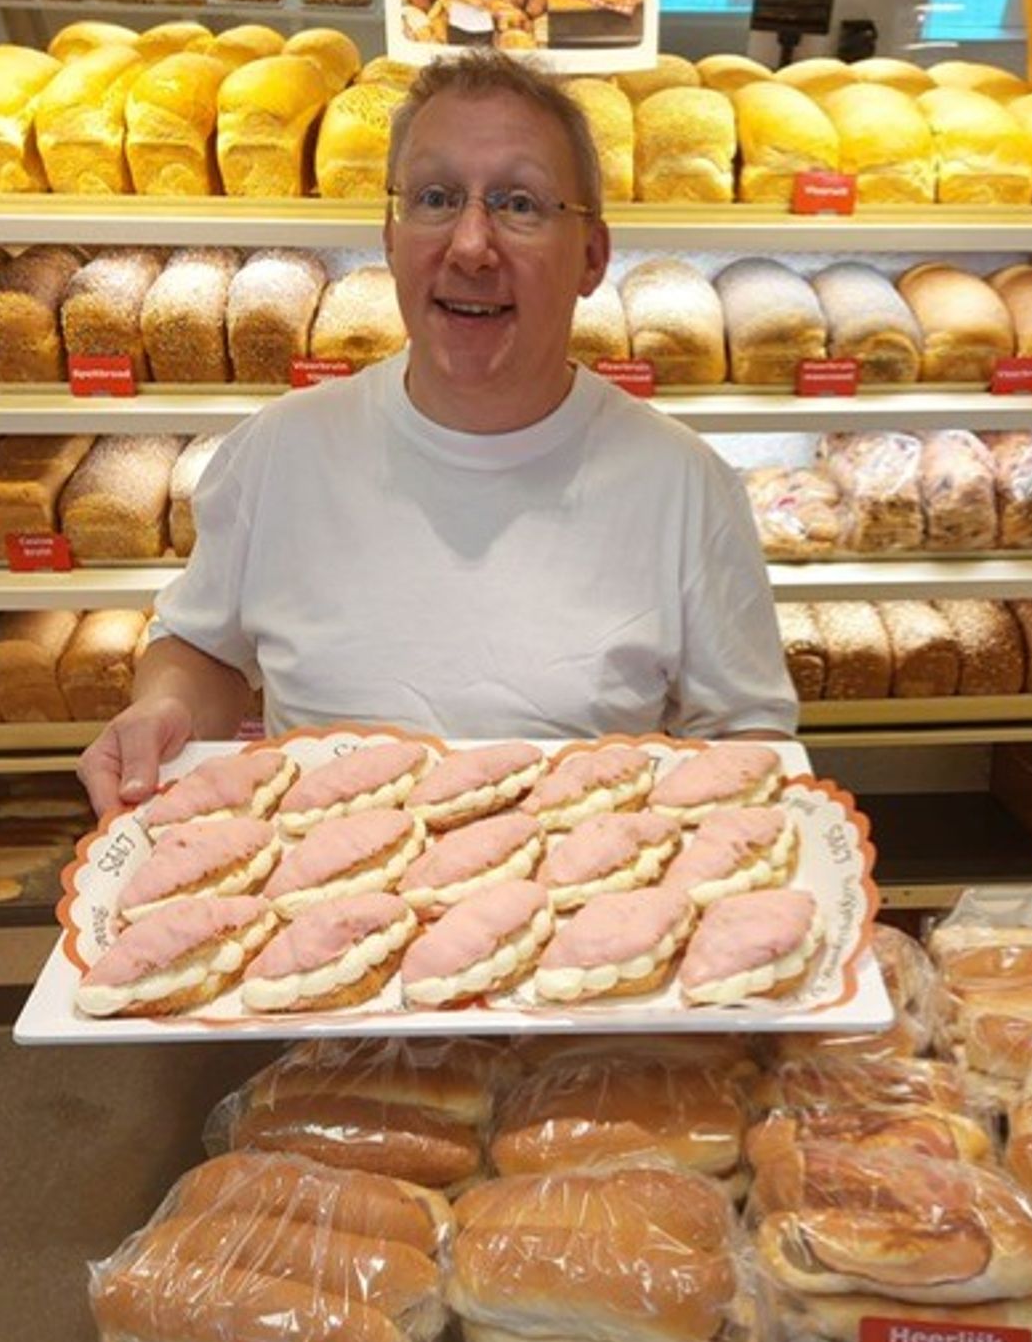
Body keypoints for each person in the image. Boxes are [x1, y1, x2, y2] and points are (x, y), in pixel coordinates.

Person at [77, 52, 797, 816]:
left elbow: (746, 736)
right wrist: (167, 708)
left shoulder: (685, 486)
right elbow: (201, 649)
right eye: (435, 198)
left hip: (579, 885)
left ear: (591, 257)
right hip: (329, 878)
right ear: (391, 236)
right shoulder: (279, 455)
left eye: (520, 203)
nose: (470, 245)